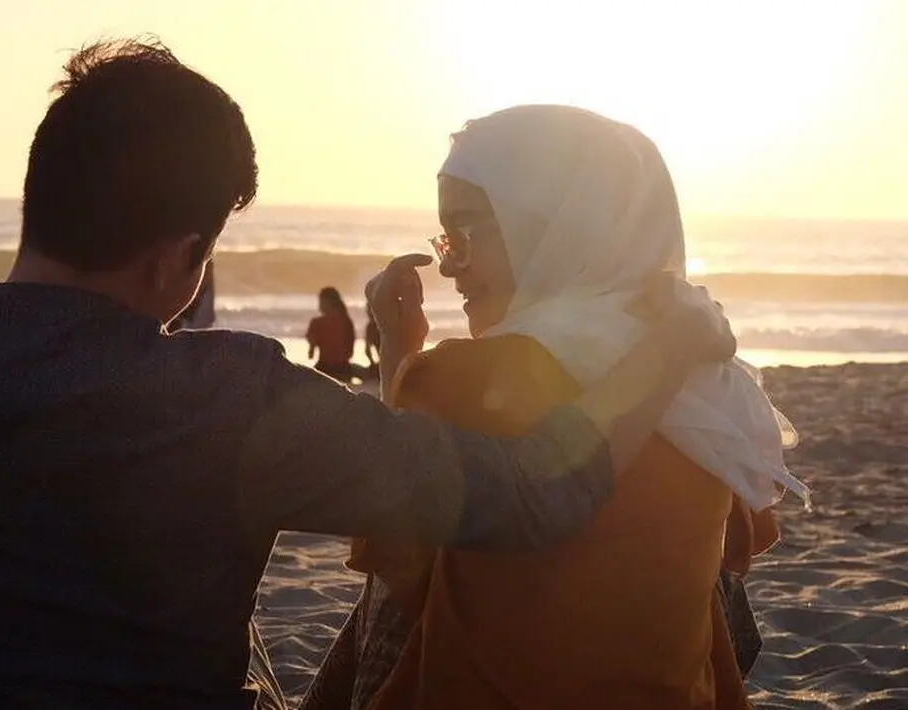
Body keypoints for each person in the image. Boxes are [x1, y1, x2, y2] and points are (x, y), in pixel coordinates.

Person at [0, 41, 737, 710]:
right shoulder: (225, 401)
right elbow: (533, 495)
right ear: (178, 257)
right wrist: (663, 352)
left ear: (39, 197)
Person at [302, 105, 805, 710]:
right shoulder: (706, 380)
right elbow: (738, 558)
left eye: (464, 234)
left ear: (547, 229)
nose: (448, 265)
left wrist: (398, 358)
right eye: (443, 240)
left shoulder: (456, 379)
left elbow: (400, 576)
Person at [306, 286, 356, 381]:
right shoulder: (346, 321)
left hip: (325, 369)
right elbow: (350, 353)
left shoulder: (316, 323)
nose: (319, 304)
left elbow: (310, 355)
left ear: (328, 302)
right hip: (344, 369)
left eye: (321, 301)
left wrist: (312, 345)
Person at [363, 307, 381, 380]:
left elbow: (367, 351)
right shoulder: (371, 327)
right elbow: (367, 350)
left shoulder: (371, 327)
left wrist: (373, 364)